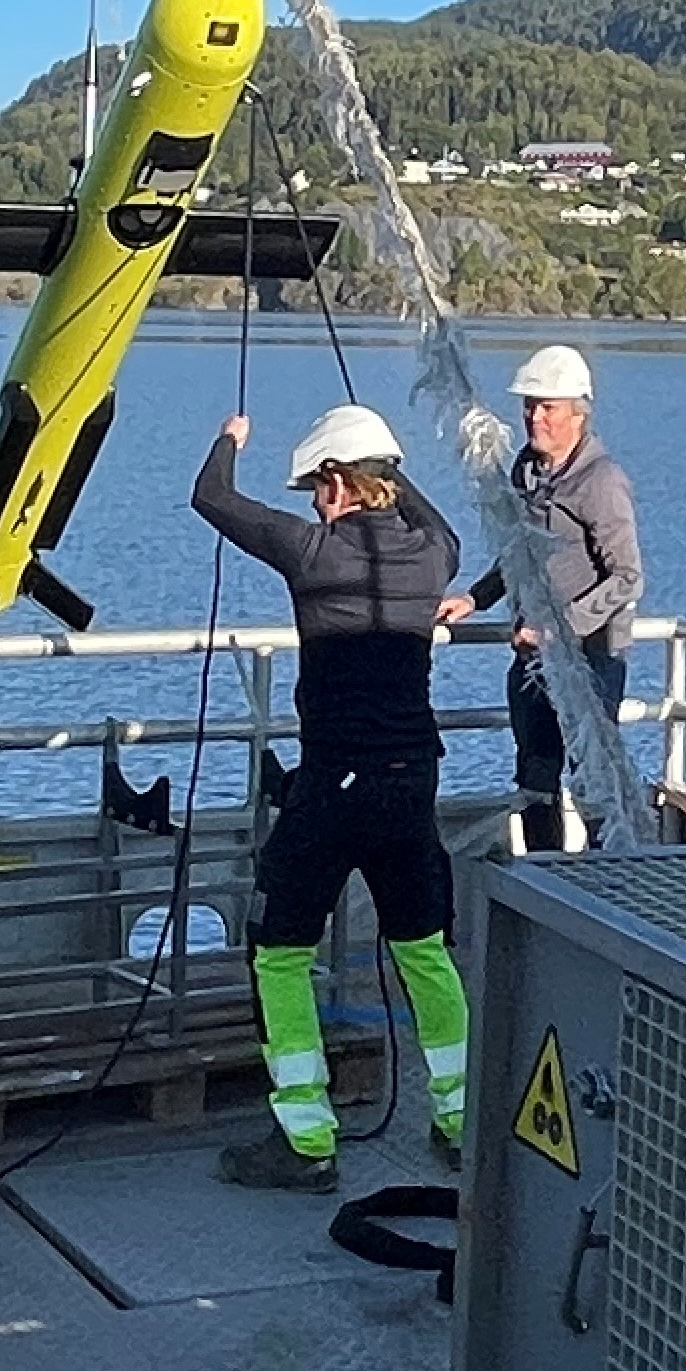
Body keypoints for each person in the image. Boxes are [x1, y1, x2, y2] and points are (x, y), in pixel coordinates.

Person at [190, 402, 472, 1190]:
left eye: (319, 487)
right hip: (412, 783)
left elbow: (212, 497)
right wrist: (388, 468)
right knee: (424, 951)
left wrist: (230, 438)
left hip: (333, 788)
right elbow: (435, 521)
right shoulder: (435, 555)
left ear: (340, 484)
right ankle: (461, 1122)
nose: (315, 503)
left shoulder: (313, 552)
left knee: (278, 953)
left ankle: (307, 1139)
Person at [437, 343, 644, 850]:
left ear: (578, 412)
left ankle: (609, 877)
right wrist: (476, 598)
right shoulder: (525, 471)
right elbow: (519, 552)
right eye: (529, 405)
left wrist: (560, 628)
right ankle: (544, 874)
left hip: (592, 660)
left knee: (593, 779)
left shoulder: (601, 481)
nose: (534, 417)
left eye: (547, 407)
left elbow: (627, 578)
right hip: (532, 661)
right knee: (534, 779)